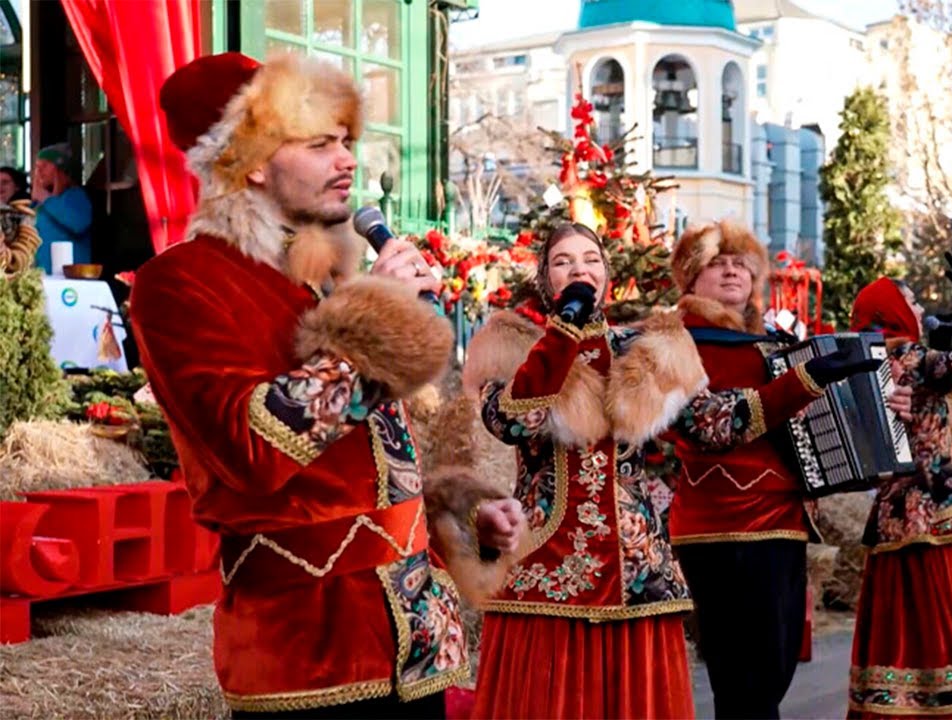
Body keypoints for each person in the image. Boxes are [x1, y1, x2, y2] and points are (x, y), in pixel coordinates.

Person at [131, 51, 528, 719]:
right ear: (251, 162)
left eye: (346, 141)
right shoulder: (182, 284)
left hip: (418, 641)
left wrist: (454, 515)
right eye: (320, 143)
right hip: (305, 651)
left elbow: (364, 467)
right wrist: (378, 321)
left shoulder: (329, 280)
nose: (347, 159)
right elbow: (253, 451)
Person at [462, 221, 883, 718]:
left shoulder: (645, 349)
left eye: (591, 260)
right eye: (563, 262)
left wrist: (804, 380)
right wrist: (563, 335)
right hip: (547, 569)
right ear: (545, 279)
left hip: (635, 570)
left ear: (607, 275)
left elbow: (713, 424)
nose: (580, 269)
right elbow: (513, 421)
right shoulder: (514, 349)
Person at [664, 219, 912, 719]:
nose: (732, 270)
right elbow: (714, 426)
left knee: (771, 679)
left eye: (741, 263)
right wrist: (808, 378)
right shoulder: (672, 343)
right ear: (691, 279)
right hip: (722, 527)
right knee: (745, 686)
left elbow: (816, 424)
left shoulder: (773, 344)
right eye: (717, 263)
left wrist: (881, 412)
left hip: (782, 523)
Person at [844, 248, 952, 719]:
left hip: (890, 517)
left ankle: (895, 705)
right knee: (945, 625)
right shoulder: (917, 359)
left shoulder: (868, 361)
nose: (923, 310)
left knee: (900, 630)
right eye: (912, 302)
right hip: (936, 513)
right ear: (895, 312)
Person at [31, 143, 93, 273]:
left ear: (60, 169)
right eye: (37, 167)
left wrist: (48, 200)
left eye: (45, 165)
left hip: (69, 281)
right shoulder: (37, 204)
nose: (39, 171)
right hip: (41, 277)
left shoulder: (75, 196)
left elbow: (79, 224)